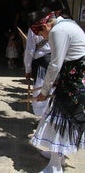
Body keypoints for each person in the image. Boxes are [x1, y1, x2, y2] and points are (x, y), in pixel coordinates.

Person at [30, 11, 85, 173]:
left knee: (59, 121)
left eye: (42, 33)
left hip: (74, 83)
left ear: (45, 25)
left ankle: (55, 167)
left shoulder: (57, 31)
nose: (44, 37)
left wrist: (45, 91)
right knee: (58, 119)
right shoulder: (68, 24)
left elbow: (55, 64)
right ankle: (57, 156)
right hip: (73, 79)